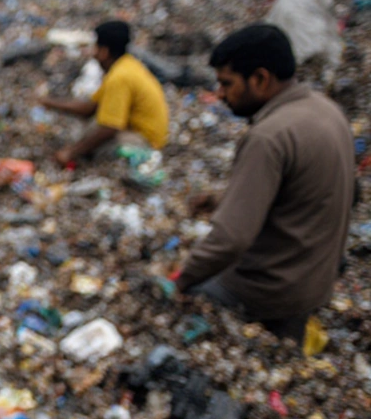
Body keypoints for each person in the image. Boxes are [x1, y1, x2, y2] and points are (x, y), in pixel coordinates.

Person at [175, 24, 354, 341]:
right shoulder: (328, 111)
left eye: (227, 83)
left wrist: (181, 279)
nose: (219, 94)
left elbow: (230, 240)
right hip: (318, 282)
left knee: (178, 308)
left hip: (272, 292)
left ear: (259, 79)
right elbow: (321, 191)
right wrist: (221, 200)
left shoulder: (269, 137)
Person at [39, 21, 170, 166]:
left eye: (96, 47)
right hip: (143, 130)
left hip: (146, 140)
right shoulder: (126, 65)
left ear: (104, 51)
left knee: (100, 147)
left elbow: (110, 127)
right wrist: (48, 102)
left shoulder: (120, 77)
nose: (93, 53)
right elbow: (90, 108)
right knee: (91, 127)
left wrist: (70, 152)